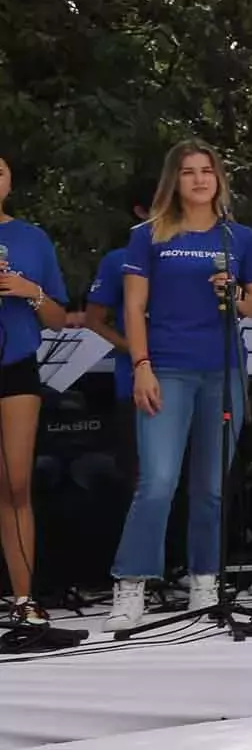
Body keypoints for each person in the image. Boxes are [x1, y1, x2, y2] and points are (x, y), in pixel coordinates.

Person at [105, 139, 252, 630]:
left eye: (207, 171)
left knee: (211, 487)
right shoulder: (148, 235)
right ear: (173, 181)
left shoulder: (239, 238)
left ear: (219, 179)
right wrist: (142, 364)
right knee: (156, 482)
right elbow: (133, 308)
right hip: (167, 367)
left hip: (223, 368)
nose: (199, 179)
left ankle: (204, 582)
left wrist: (235, 294)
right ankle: (131, 585)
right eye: (189, 172)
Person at [0, 155, 69, 626]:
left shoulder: (31, 238)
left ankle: (23, 599)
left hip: (15, 367)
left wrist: (30, 291)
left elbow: (60, 318)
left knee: (15, 483)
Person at [84, 177, 156, 499]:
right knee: (141, 483)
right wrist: (136, 351)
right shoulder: (118, 260)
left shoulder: (200, 255)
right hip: (135, 384)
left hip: (193, 375)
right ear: (141, 211)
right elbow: (94, 320)